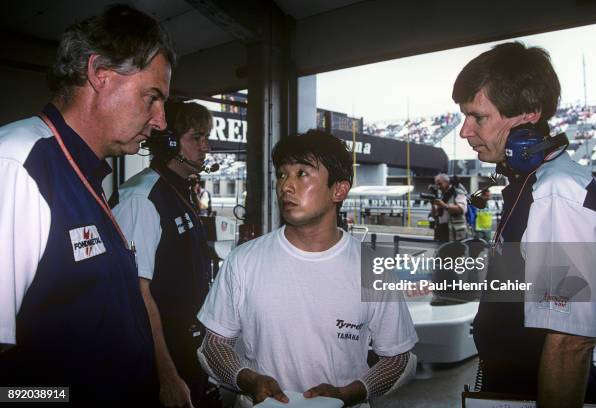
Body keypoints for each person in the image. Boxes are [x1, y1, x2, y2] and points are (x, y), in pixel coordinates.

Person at [0, 5, 174, 404]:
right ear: (99, 74)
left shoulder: (82, 173)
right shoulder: (19, 164)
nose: (161, 120)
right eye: (152, 97)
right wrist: (62, 396)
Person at [197, 130, 418, 407]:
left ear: (338, 190)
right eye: (281, 174)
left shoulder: (372, 268)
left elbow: (399, 358)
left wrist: (349, 393)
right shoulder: (243, 261)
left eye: (302, 174)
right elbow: (213, 346)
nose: (286, 186)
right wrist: (247, 379)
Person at [453, 42, 596, 407]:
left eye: (478, 117)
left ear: (529, 115)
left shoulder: (557, 193)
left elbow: (570, 342)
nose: (464, 131)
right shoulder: (529, 183)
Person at [112, 100, 214, 407]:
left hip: (185, 345)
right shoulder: (142, 198)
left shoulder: (178, 190)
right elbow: (136, 292)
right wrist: (167, 375)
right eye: (197, 137)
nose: (205, 147)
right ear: (170, 142)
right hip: (159, 356)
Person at [430, 173, 468, 242]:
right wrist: (432, 204)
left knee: (455, 252)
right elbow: (435, 216)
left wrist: (444, 206)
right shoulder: (441, 195)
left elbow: (461, 209)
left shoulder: (457, 192)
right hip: (441, 229)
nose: (438, 187)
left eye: (440, 184)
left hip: (455, 231)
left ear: (447, 182)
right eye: (436, 184)